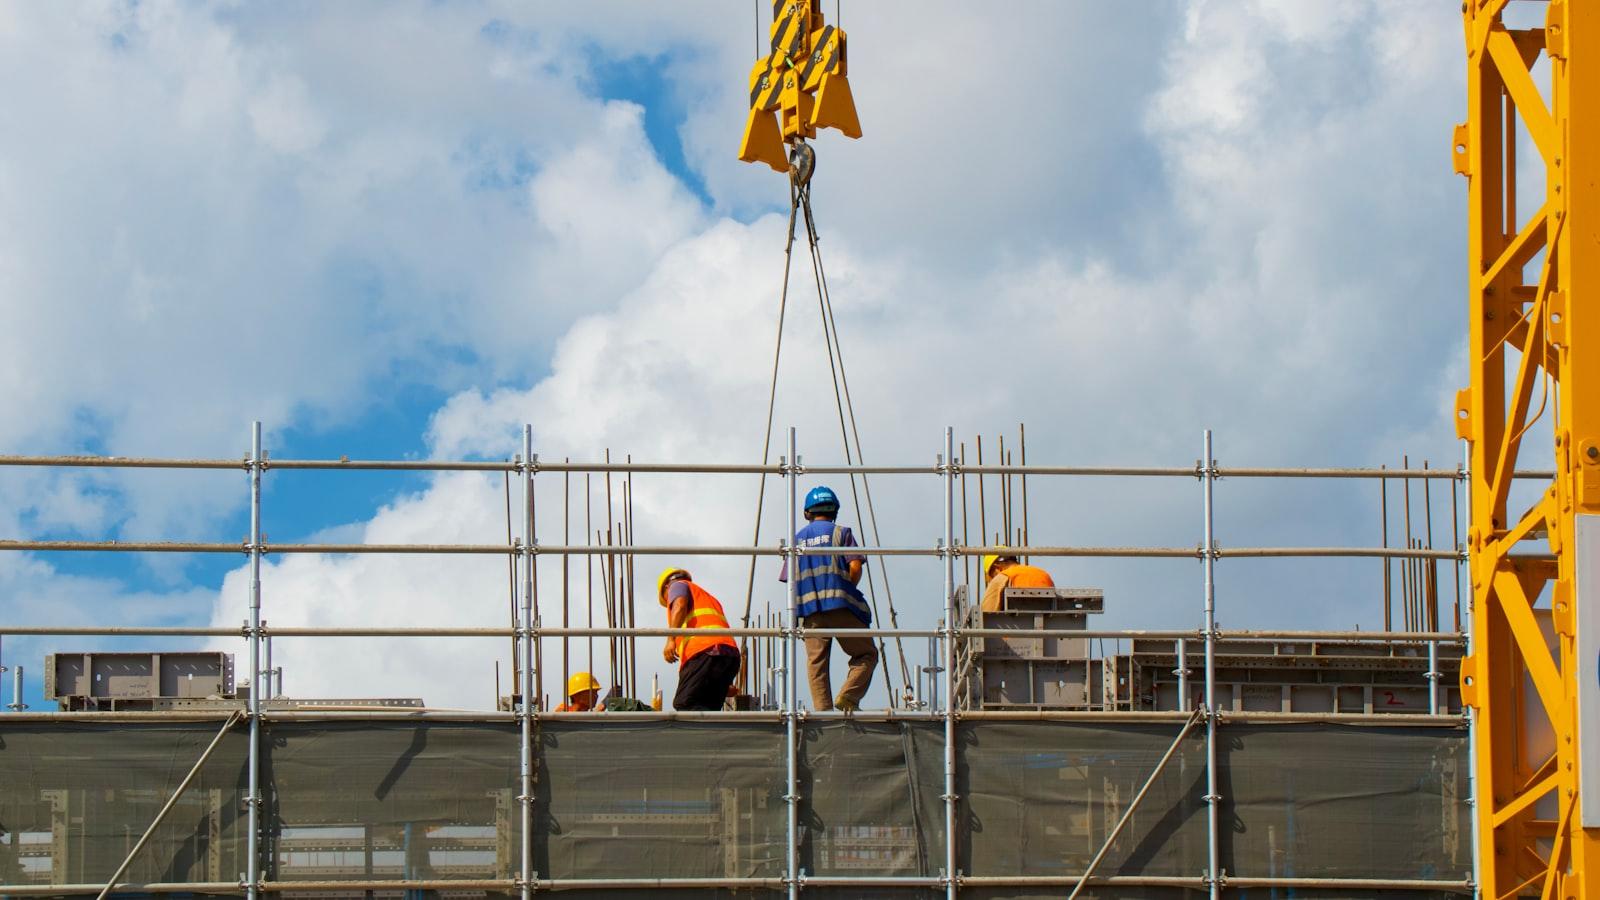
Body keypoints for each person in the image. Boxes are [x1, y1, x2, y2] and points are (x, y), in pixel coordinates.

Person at [780, 485, 877, 712]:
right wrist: (846, 589)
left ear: (807, 513)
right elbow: (855, 566)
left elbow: (790, 582)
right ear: (834, 511)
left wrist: (795, 615)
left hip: (811, 611)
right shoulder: (841, 533)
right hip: (841, 606)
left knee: (817, 663)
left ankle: (823, 712)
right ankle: (848, 696)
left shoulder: (796, 541)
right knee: (866, 653)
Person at [659, 567, 742, 711]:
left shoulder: (677, 585)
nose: (669, 603)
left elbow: (679, 605)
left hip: (704, 651)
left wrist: (670, 639)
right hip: (728, 655)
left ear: (667, 587)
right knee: (708, 706)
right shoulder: (707, 598)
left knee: (685, 703)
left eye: (666, 600)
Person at [980, 549, 1055, 612]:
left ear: (997, 568)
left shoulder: (1003, 576)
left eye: (992, 576)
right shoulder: (1043, 574)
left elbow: (987, 613)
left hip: (1017, 627)